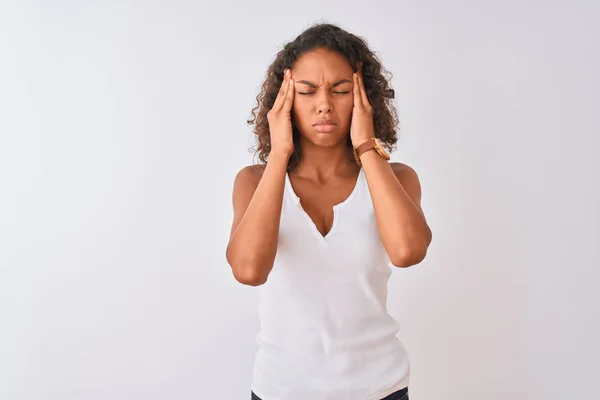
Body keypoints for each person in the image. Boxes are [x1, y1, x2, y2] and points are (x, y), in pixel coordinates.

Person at [226, 22, 432, 400]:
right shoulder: (254, 181)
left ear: (362, 98)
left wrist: (367, 147)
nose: (324, 104)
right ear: (284, 100)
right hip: (280, 390)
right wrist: (279, 155)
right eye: (306, 91)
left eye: (340, 90)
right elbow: (249, 271)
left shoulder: (396, 178)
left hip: (380, 389)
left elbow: (408, 252)